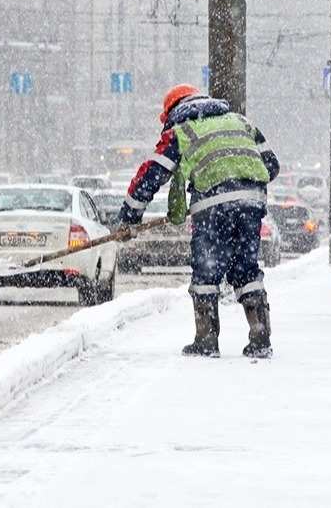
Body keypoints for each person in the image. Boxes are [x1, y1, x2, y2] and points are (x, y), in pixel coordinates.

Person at [117, 84, 280, 359]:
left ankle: (206, 339)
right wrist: (240, 185)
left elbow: (151, 175)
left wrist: (129, 218)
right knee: (246, 268)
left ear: (172, 111)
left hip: (212, 205)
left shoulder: (181, 131)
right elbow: (271, 165)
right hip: (252, 201)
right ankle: (260, 336)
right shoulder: (241, 121)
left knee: (207, 269)